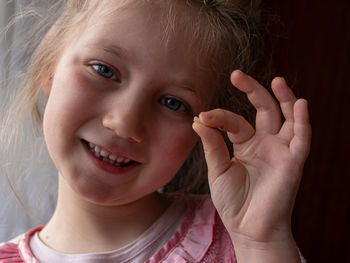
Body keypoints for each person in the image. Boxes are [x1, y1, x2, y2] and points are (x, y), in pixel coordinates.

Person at [0, 0, 311, 262]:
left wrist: (262, 243)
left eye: (172, 103)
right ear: (50, 65)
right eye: (104, 70)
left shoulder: (241, 239)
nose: (125, 124)